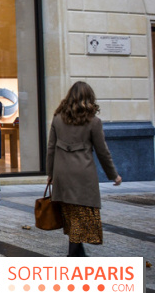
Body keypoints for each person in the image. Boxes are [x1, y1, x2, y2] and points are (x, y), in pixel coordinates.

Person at [47, 81, 121, 257]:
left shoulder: (57, 119)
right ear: (89, 99)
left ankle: (77, 252)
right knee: (82, 213)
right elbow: (103, 152)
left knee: (71, 213)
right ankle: (73, 254)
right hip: (83, 174)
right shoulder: (94, 122)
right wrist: (114, 175)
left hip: (62, 173)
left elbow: (51, 149)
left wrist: (50, 174)